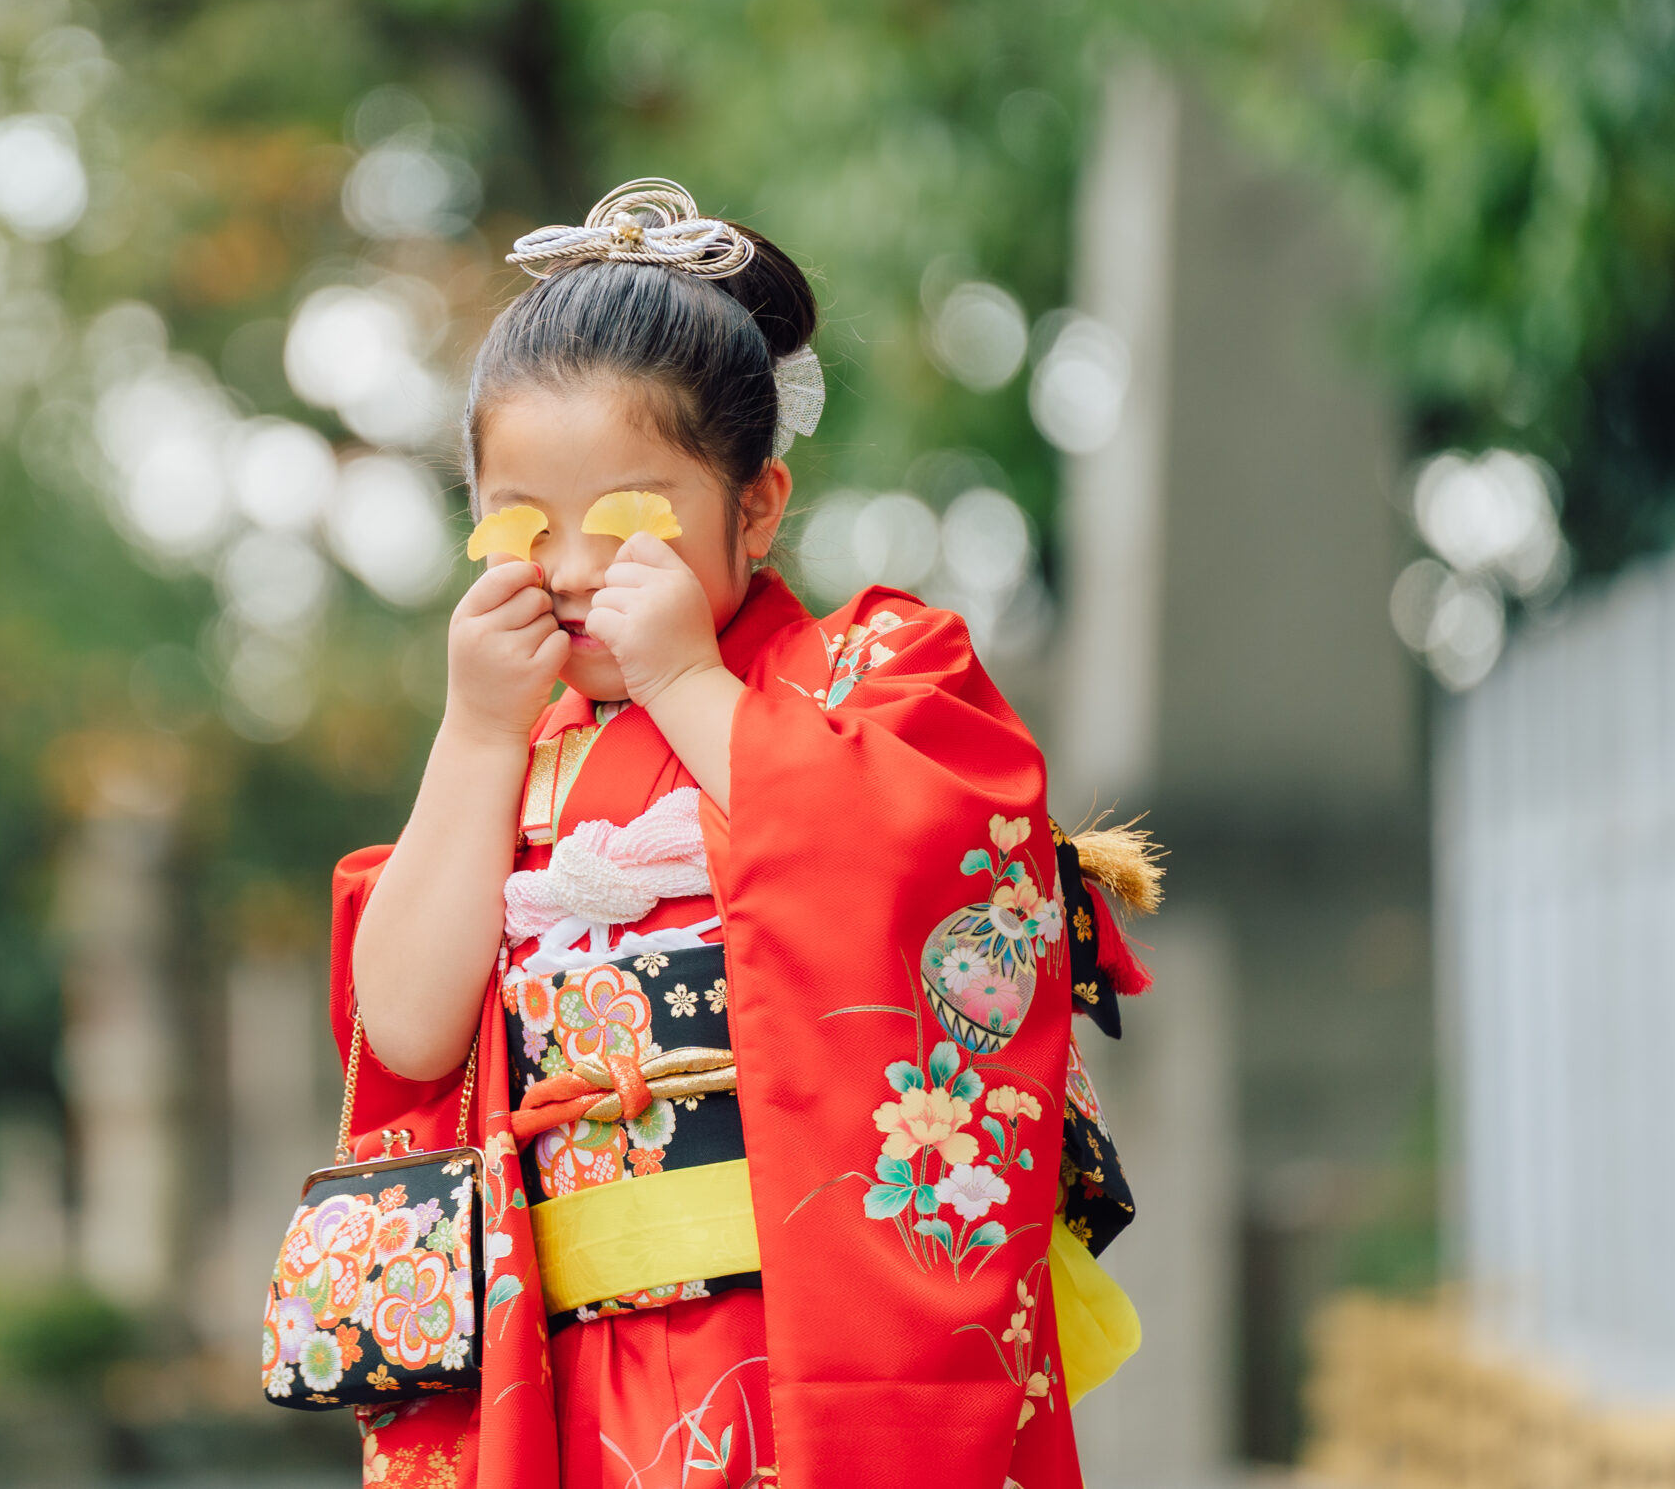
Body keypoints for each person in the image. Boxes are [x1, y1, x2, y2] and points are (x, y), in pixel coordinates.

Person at [327, 180, 1153, 1489]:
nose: (576, 567)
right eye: (521, 524)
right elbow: (409, 1031)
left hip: (802, 1351)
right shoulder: (512, 756)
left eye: (632, 518)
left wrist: (689, 690)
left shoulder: (879, 674)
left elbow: (929, 881)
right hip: (565, 1380)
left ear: (756, 509)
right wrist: (475, 737)